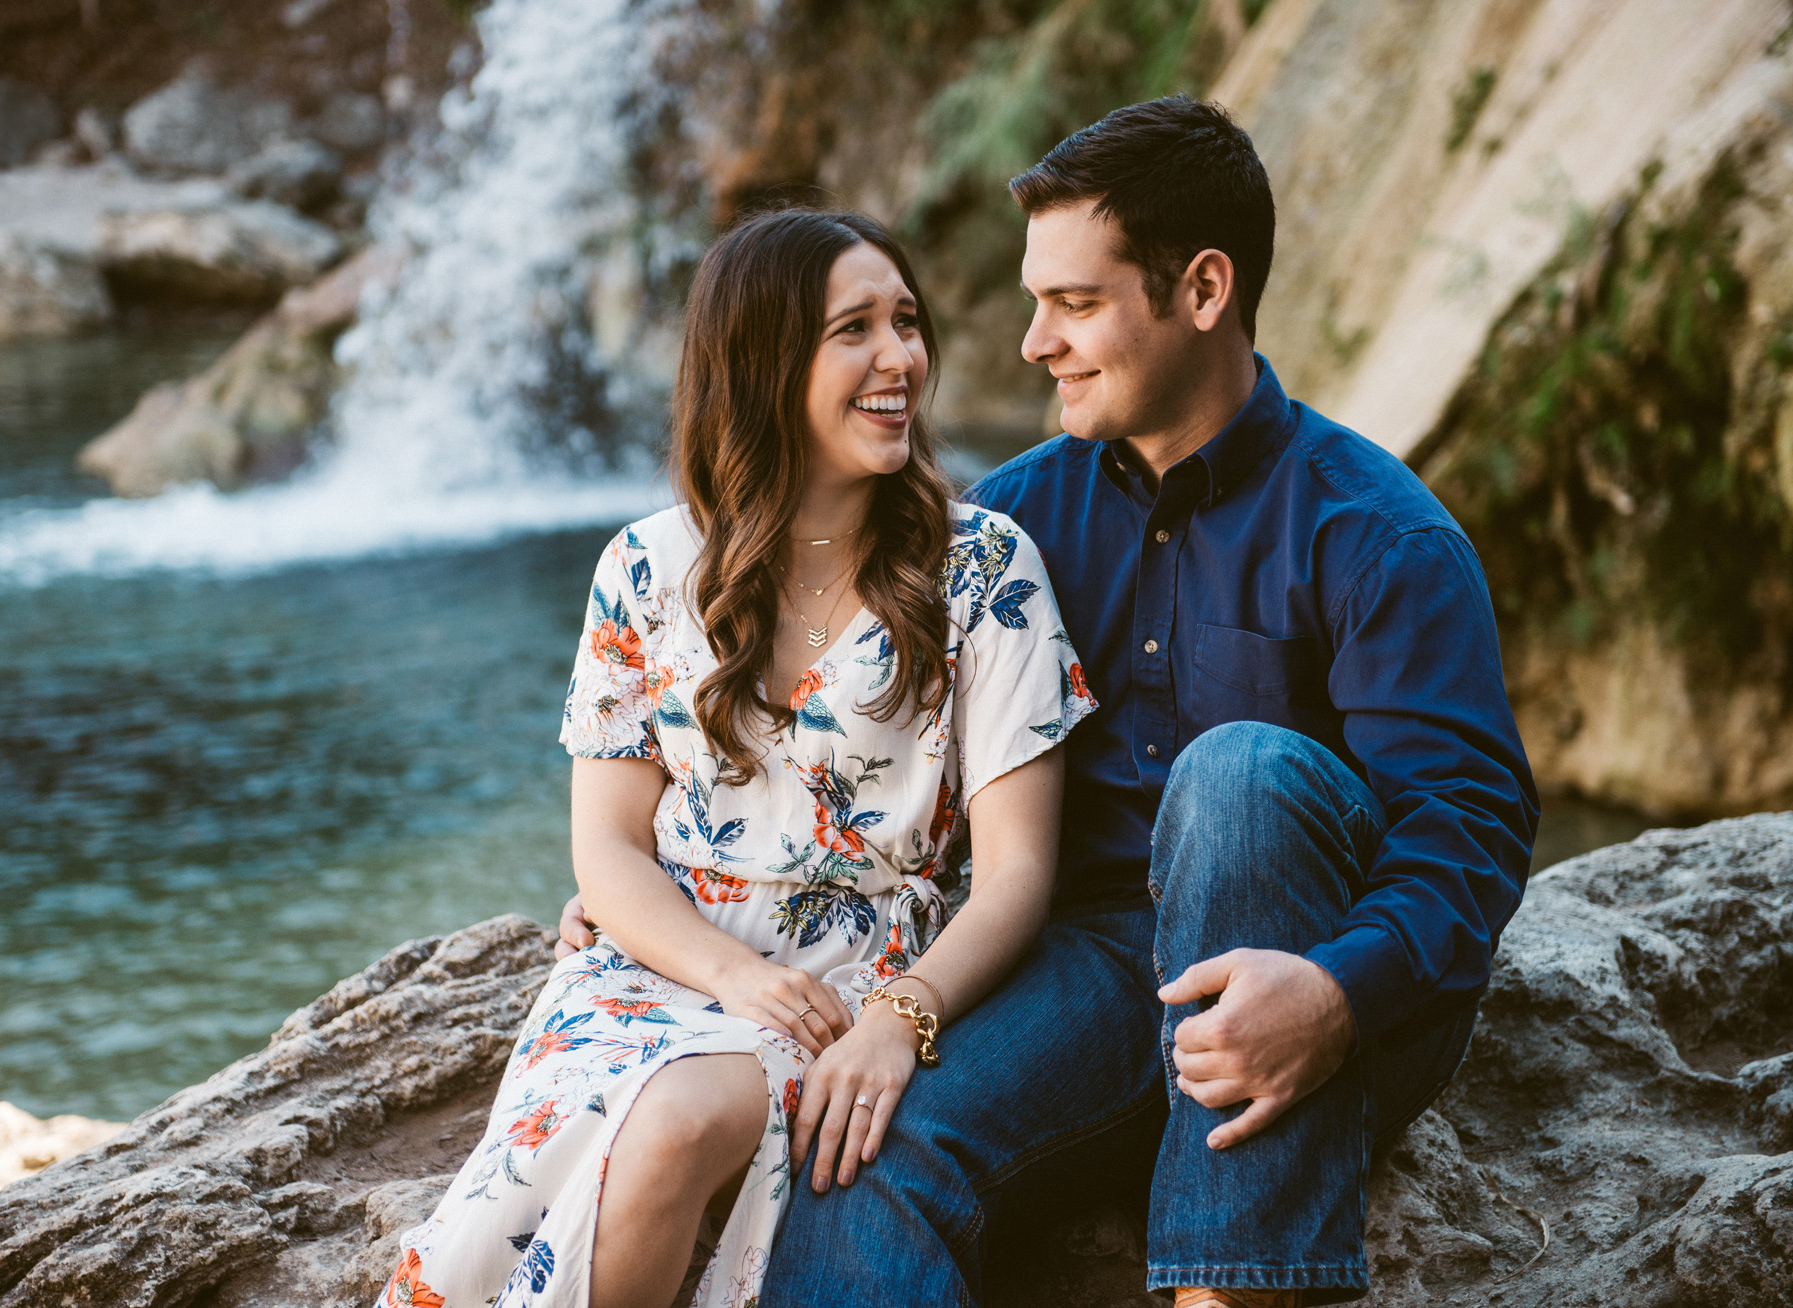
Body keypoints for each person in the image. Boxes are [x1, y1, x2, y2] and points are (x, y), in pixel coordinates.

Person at [558, 97, 1539, 1307]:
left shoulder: (1378, 534)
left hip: (1317, 969)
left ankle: (1230, 1291)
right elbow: (872, 764)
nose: (1034, 344)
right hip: (1089, 975)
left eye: (1073, 303)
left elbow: (1469, 830)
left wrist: (1337, 992)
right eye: (1034, 303)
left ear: (1204, 290)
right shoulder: (1003, 532)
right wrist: (650, 881)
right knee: (855, 1140)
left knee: (1238, 775)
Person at [376, 208, 1096, 1308]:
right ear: (763, 362)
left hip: (852, 982)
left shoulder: (984, 569)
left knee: (673, 1127)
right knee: (528, 1185)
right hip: (659, 961)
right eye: (853, 329)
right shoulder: (643, 567)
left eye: (906, 322)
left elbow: (1016, 875)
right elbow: (607, 848)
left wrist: (901, 1018)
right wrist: (730, 975)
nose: (900, 357)